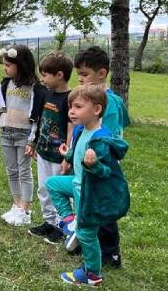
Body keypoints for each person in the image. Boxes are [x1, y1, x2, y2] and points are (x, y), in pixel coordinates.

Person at [46, 84, 130, 287]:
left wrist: (94, 165)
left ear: (97, 109)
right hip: (77, 184)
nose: (71, 111)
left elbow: (106, 172)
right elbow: (78, 156)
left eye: (78, 107)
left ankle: (92, 274)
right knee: (52, 184)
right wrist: (68, 155)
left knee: (86, 234)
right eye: (70, 107)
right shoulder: (81, 130)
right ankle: (69, 221)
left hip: (91, 194)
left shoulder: (100, 140)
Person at [73, 46, 130, 269]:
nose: (80, 79)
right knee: (87, 203)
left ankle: (111, 252)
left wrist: (98, 158)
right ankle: (88, 242)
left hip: (102, 164)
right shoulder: (89, 98)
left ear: (102, 73)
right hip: (89, 162)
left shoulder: (110, 101)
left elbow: (111, 135)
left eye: (84, 74)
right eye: (78, 74)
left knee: (102, 208)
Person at [0, 45, 46, 226]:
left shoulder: (35, 88)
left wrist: (32, 140)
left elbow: (37, 116)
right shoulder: (5, 84)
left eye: (8, 65)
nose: (4, 68)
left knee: (24, 171)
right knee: (11, 170)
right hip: (6, 132)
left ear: (20, 64)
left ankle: (25, 210)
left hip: (24, 134)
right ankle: (17, 204)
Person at [28, 52, 74, 244]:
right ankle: (49, 222)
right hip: (43, 152)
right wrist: (34, 143)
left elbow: (71, 128)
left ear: (59, 75)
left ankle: (64, 226)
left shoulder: (70, 99)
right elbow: (40, 120)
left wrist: (67, 156)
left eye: (45, 75)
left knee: (59, 192)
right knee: (43, 188)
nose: (42, 79)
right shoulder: (47, 94)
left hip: (58, 156)